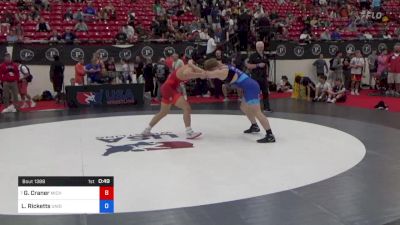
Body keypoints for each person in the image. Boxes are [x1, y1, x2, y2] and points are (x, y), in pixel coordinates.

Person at [201, 58, 276, 143]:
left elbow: (205, 74)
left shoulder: (222, 72)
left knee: (257, 112)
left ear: (213, 68)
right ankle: (254, 126)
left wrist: (192, 66)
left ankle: (270, 135)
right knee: (244, 107)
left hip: (251, 88)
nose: (212, 71)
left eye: (211, 70)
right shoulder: (223, 66)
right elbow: (209, 71)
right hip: (249, 87)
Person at [141, 61, 205, 139]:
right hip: (169, 88)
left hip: (167, 88)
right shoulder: (189, 69)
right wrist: (200, 74)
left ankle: (147, 130)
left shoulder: (189, 66)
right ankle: (189, 132)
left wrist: (200, 73)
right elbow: (187, 74)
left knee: (163, 112)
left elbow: (190, 67)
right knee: (186, 108)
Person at [246, 41, 272, 112]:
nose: (260, 48)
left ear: (263, 47)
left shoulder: (265, 56)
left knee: (265, 93)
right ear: (256, 48)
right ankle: (254, 108)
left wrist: (267, 75)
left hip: (264, 78)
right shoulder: (252, 56)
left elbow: (267, 66)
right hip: (256, 78)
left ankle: (266, 108)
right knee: (255, 94)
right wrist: (258, 65)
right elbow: (248, 66)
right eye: (259, 47)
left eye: (261, 47)